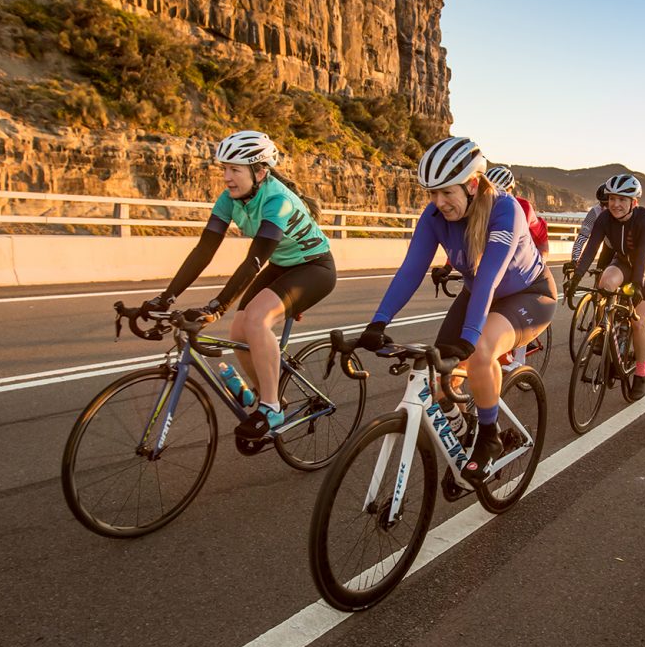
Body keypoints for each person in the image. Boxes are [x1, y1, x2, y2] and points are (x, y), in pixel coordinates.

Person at [358, 137, 556, 485]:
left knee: (480, 351)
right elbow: (411, 270)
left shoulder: (504, 210)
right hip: (478, 292)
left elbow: (489, 279)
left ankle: (489, 435)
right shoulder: (435, 215)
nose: (438, 202)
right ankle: (461, 430)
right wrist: (378, 321)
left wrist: (468, 339)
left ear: (473, 185)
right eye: (431, 193)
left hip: (529, 295)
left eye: (446, 193)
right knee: (436, 379)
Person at [144, 130, 335, 439]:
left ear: (260, 171)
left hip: (315, 269)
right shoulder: (230, 199)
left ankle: (271, 408)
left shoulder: (277, 201)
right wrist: (166, 297)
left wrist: (216, 307)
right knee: (238, 330)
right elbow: (204, 251)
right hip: (282, 266)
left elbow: (254, 261)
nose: (227, 177)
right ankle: (268, 396)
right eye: (224, 168)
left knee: (257, 319)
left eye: (235, 169)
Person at [565, 173, 645, 401]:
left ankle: (640, 373)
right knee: (606, 282)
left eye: (622, 199)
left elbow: (642, 258)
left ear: (634, 202)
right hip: (624, 262)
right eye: (612, 199)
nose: (616, 204)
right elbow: (591, 249)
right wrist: (575, 280)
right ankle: (605, 328)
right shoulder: (604, 219)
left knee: (638, 322)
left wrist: (637, 286)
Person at [484, 166, 550, 254]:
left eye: (498, 194)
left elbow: (514, 237)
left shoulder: (523, 207)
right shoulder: (488, 204)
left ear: (509, 191)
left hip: (538, 244)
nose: (494, 198)